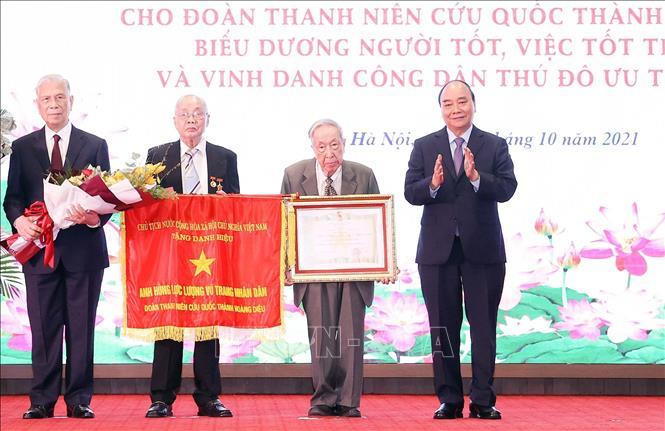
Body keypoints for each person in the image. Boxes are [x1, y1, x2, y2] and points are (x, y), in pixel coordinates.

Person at [404, 81, 517, 420]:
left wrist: (477, 177)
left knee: (483, 326)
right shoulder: (425, 146)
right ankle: (449, 399)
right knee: (443, 328)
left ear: (473, 104)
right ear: (441, 109)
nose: (456, 109)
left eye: (462, 101)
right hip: (437, 252)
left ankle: (483, 399)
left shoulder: (494, 145)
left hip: (482, 250)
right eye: (448, 103)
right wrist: (433, 184)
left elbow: (508, 188)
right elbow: (411, 192)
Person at [3, 74, 111, 419]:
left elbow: (108, 198)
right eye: (47, 99)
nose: (54, 104)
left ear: (70, 101)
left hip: (84, 251)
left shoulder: (95, 145)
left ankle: (79, 399)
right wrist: (19, 221)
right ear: (38, 105)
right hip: (39, 251)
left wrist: (93, 218)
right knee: (44, 328)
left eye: (59, 97)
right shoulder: (23, 148)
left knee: (81, 328)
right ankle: (42, 400)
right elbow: (12, 199)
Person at [143, 94, 239, 418]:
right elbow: (145, 206)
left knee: (207, 325)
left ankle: (209, 397)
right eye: (184, 114)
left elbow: (236, 206)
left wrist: (227, 202)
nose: (191, 119)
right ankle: (161, 398)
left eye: (198, 113)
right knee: (168, 323)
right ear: (175, 120)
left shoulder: (225, 157)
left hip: (208, 254)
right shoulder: (158, 156)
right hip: (170, 253)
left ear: (208, 119)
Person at [281, 119, 380, 418]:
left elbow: (377, 223)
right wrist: (286, 265)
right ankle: (323, 397)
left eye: (334, 145)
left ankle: (349, 400)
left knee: (351, 336)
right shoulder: (293, 174)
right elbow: (285, 223)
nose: (329, 153)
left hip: (354, 270)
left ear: (344, 144)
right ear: (312, 148)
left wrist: (383, 263)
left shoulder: (364, 175)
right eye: (322, 146)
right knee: (321, 335)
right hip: (313, 271)